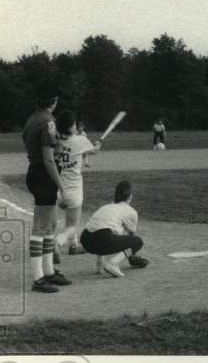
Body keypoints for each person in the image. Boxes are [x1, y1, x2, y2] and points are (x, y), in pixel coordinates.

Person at [22, 92, 71, 293]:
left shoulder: (31, 119)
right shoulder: (48, 121)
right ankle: (38, 278)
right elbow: (48, 158)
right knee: (41, 227)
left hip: (36, 173)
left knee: (50, 225)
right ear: (53, 101)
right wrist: (61, 186)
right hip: (43, 175)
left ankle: (49, 271)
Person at [54, 110, 102, 256]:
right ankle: (58, 242)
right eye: (74, 124)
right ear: (70, 127)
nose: (75, 126)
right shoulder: (80, 140)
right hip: (73, 190)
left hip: (56, 190)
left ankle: (74, 246)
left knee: (61, 222)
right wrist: (98, 144)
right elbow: (94, 151)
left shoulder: (54, 140)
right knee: (72, 226)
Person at [81, 181, 150, 278]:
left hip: (85, 240)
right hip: (103, 238)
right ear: (130, 197)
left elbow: (99, 229)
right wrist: (131, 257)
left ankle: (99, 264)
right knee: (138, 242)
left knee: (105, 233)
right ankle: (113, 263)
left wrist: (99, 262)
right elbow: (131, 239)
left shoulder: (106, 207)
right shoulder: (131, 211)